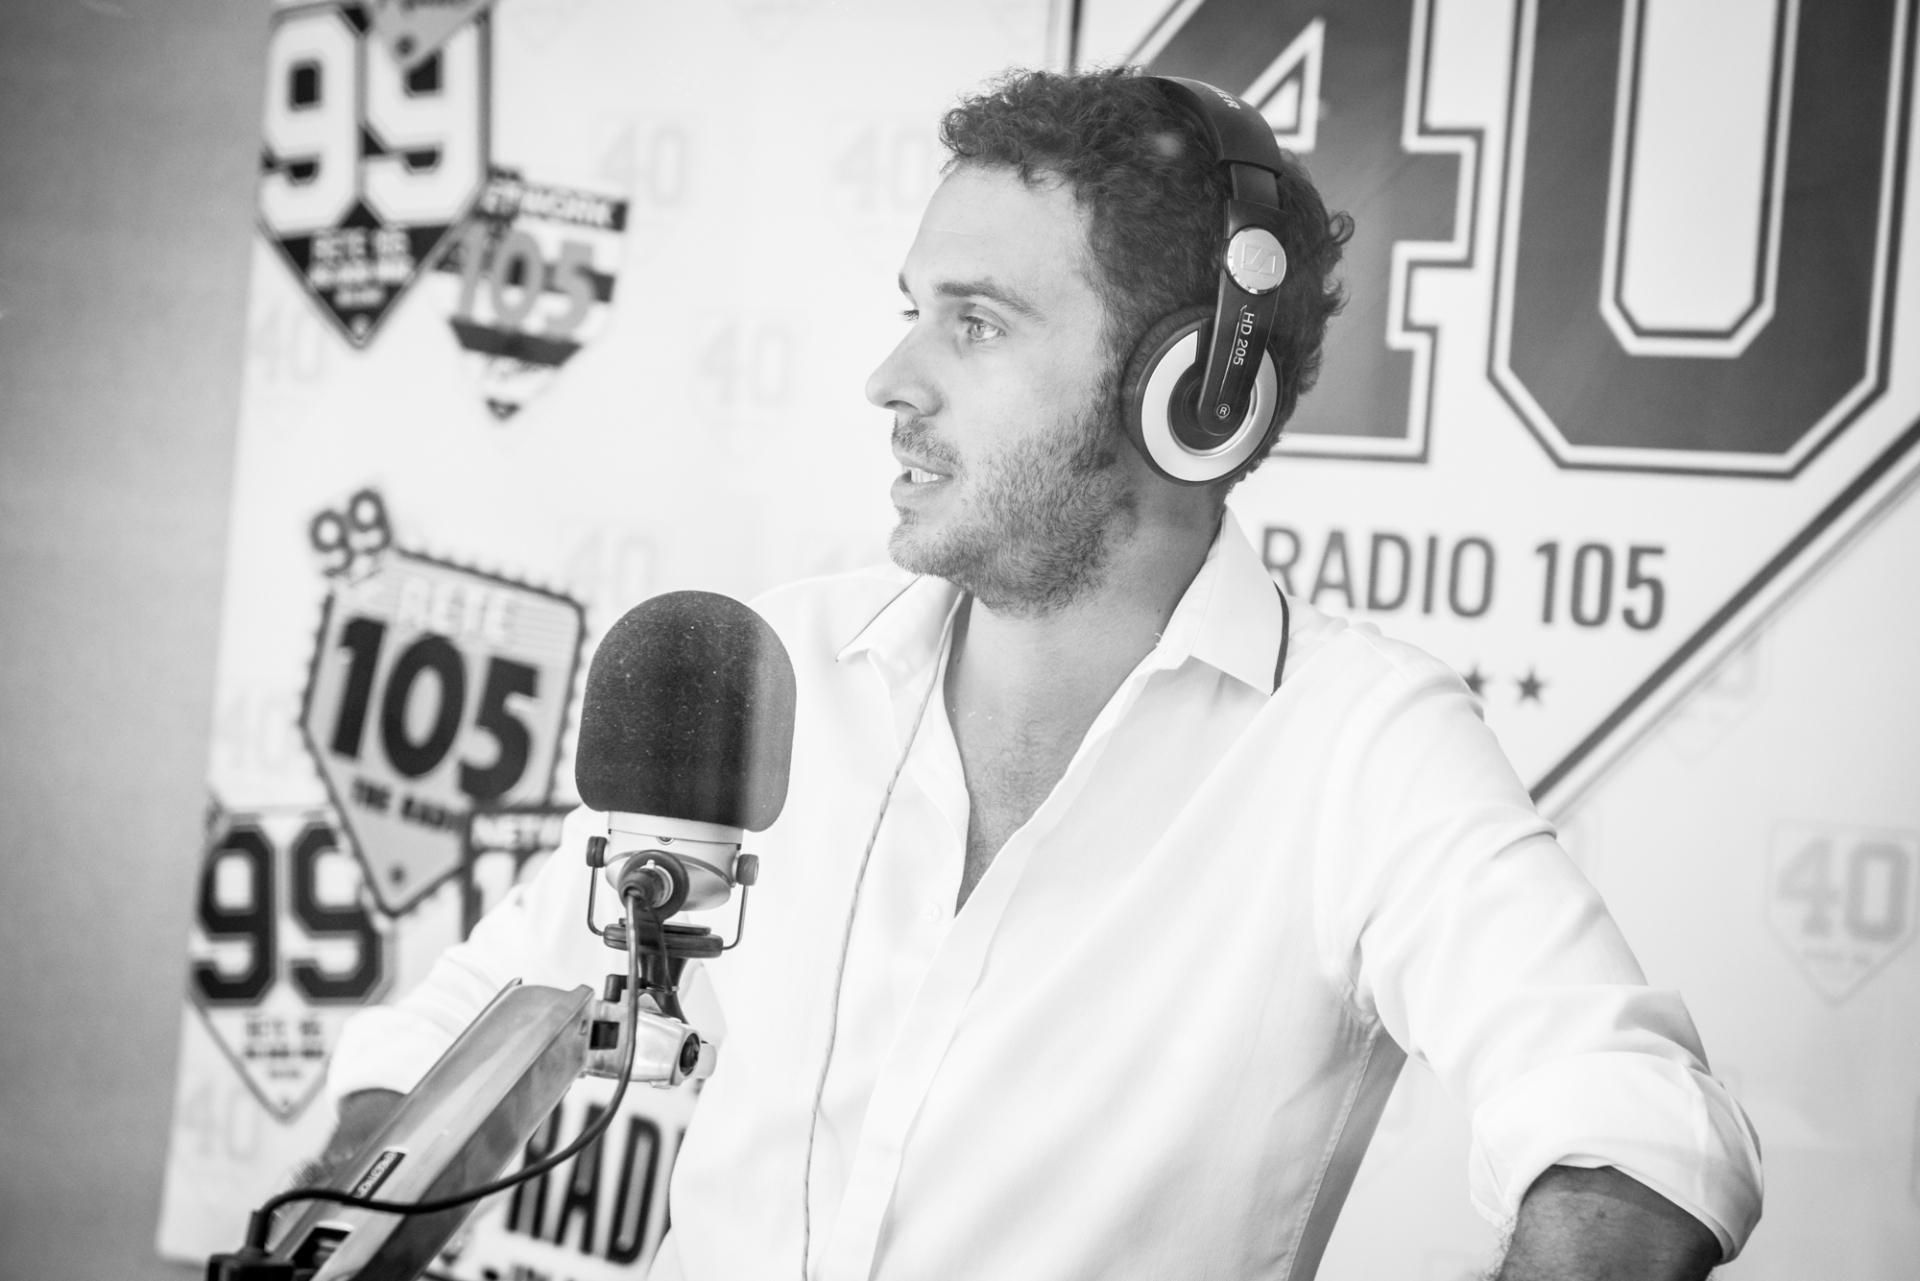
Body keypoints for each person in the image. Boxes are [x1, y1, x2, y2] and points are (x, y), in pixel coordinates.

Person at [319, 67, 1762, 1279]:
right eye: (912, 308)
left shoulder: (1360, 744)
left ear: (1195, 392)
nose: (892, 379)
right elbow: (466, 1035)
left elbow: (1634, 1136)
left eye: (976, 322)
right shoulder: (778, 668)